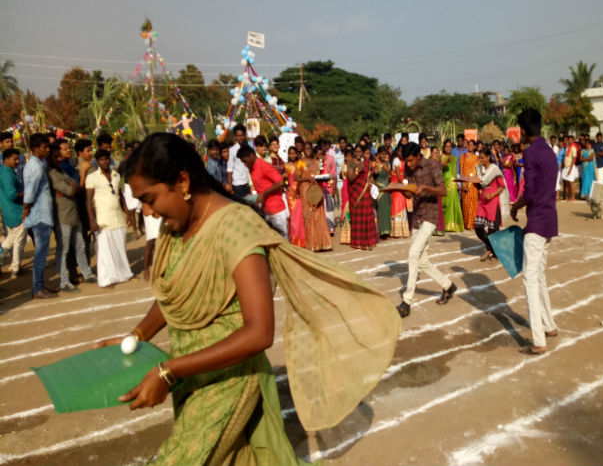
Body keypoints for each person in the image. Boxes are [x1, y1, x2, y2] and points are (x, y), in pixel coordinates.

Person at [97, 133, 399, 466]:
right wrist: (137, 335)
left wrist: (168, 371)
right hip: (190, 377)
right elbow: (175, 293)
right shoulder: (176, 225)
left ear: (182, 181)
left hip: (229, 383)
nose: (147, 212)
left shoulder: (236, 228)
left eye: (150, 199)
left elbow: (259, 333)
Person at [510, 108, 558, 355]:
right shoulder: (549, 151)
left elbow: (528, 192)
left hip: (537, 221)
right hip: (549, 220)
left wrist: (515, 206)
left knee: (530, 278)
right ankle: (549, 325)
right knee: (539, 275)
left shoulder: (530, 153)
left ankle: (538, 339)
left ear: (523, 130)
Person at [396, 143, 455, 318]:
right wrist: (401, 189)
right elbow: (410, 194)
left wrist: (426, 188)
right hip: (417, 216)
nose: (408, 164)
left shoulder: (431, 165)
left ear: (418, 156)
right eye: (406, 161)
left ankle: (407, 301)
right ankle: (448, 285)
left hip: (430, 216)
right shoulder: (408, 169)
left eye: (411, 160)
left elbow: (443, 191)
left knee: (413, 254)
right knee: (422, 261)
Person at [47, 143, 95, 292]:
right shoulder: (51, 173)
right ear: (49, 158)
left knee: (80, 246)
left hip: (73, 214)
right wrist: (71, 188)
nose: (59, 159)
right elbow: (70, 190)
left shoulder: (61, 171)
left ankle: (87, 274)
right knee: (63, 250)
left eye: (59, 156)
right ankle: (64, 282)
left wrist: (71, 188)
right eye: (55, 156)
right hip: (62, 217)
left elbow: (75, 186)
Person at [86, 149, 134, 288]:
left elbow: (121, 196)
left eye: (107, 159)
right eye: (101, 159)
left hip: (118, 217)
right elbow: (88, 201)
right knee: (104, 251)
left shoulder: (116, 175)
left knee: (119, 247)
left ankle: (123, 274)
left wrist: (128, 214)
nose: (105, 162)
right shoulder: (92, 177)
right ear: (97, 162)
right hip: (102, 219)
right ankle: (106, 279)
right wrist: (92, 220)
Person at [23, 133, 57, 299]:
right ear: (36, 149)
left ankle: (40, 285)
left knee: (41, 253)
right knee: (41, 254)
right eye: (45, 147)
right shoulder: (36, 168)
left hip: (39, 214)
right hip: (40, 215)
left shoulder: (36, 163)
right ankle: (38, 288)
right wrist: (26, 209)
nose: (48, 149)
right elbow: (29, 193)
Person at [238, 145, 288, 240]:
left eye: (245, 161)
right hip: (265, 210)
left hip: (276, 209)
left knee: (282, 240)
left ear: (251, 155)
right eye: (243, 162)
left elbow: (280, 182)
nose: (245, 164)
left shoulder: (264, 165)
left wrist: (264, 194)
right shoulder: (251, 169)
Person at [296, 143, 332, 252]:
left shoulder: (316, 162)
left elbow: (320, 174)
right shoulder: (301, 162)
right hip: (306, 189)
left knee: (319, 214)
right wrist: (307, 179)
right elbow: (296, 177)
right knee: (309, 215)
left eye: (309, 149)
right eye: (306, 148)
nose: (308, 150)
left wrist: (323, 178)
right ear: (303, 150)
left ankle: (322, 243)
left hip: (316, 189)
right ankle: (311, 244)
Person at [472, 147, 505, 262]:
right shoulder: (480, 170)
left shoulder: (494, 169)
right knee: (478, 227)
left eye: (482, 158)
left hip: (493, 201)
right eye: (479, 158)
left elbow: (502, 186)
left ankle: (495, 254)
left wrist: (492, 195)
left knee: (493, 230)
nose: (480, 160)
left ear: (488, 157)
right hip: (483, 201)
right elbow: (480, 185)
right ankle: (490, 247)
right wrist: (473, 182)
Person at [0, 148, 27, 278]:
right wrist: (26, 193)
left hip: (8, 212)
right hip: (16, 212)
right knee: (19, 242)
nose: (17, 162)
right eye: (15, 159)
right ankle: (16, 268)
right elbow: (12, 195)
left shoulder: (3, 172)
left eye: (18, 159)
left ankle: (2, 260)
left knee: (10, 240)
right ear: (6, 160)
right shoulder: (7, 174)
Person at [347, 146, 378, 250]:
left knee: (368, 216)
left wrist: (375, 187)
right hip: (356, 194)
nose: (359, 154)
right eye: (357, 152)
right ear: (354, 152)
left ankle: (368, 241)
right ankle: (358, 242)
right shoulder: (351, 163)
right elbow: (350, 178)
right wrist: (357, 172)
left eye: (360, 152)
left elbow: (370, 177)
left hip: (366, 194)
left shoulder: (365, 163)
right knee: (358, 218)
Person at [440, 140, 464, 232]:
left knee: (452, 204)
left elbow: (454, 171)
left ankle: (453, 225)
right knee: (445, 204)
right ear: (444, 147)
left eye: (450, 146)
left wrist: (457, 182)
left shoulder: (454, 158)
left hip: (453, 183)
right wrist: (446, 161)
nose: (448, 148)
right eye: (447, 146)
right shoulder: (441, 157)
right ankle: (445, 225)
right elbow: (441, 169)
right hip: (444, 182)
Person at [284, 146, 306, 247]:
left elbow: (304, 176)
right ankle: (294, 240)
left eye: (293, 153)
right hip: (291, 194)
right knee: (293, 218)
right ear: (288, 155)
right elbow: (285, 180)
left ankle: (302, 240)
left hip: (300, 191)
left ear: (297, 154)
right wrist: (289, 189)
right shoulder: (287, 166)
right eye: (290, 153)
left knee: (300, 217)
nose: (292, 155)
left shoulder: (301, 164)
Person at [389, 147, 410, 238]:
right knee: (397, 205)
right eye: (400, 151)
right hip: (397, 184)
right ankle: (396, 231)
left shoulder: (403, 160)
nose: (401, 153)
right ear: (397, 152)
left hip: (401, 183)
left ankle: (402, 231)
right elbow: (398, 175)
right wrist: (404, 184)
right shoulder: (396, 160)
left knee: (402, 205)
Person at [373, 147, 392, 239]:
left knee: (387, 211)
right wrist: (377, 162)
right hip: (379, 190)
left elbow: (390, 174)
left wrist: (385, 167)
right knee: (380, 211)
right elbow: (375, 172)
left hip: (387, 189)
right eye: (382, 154)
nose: (384, 156)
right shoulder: (374, 164)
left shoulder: (387, 164)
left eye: (385, 154)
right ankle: (381, 231)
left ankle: (387, 230)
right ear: (378, 154)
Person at [227, 124, 251, 198]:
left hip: (248, 183)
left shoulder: (249, 148)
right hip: (237, 185)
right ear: (235, 137)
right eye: (238, 136)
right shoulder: (232, 150)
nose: (240, 138)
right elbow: (229, 169)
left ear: (245, 135)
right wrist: (230, 187)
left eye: (242, 135)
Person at [460, 139, 479, 229]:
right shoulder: (463, 156)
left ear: (475, 147)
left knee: (473, 203)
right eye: (469, 145)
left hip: (473, 184)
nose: (470, 146)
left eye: (472, 145)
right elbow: (461, 170)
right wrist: (463, 183)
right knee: (465, 203)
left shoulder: (477, 158)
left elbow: (478, 171)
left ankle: (472, 223)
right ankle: (466, 223)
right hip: (465, 182)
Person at [561, 135, 579, 200]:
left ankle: (573, 197)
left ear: (573, 140)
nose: (570, 141)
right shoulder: (567, 147)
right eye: (569, 140)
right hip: (566, 166)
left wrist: (571, 169)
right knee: (568, 182)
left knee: (571, 182)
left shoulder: (573, 147)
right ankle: (569, 196)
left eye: (571, 140)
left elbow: (574, 158)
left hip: (570, 166)